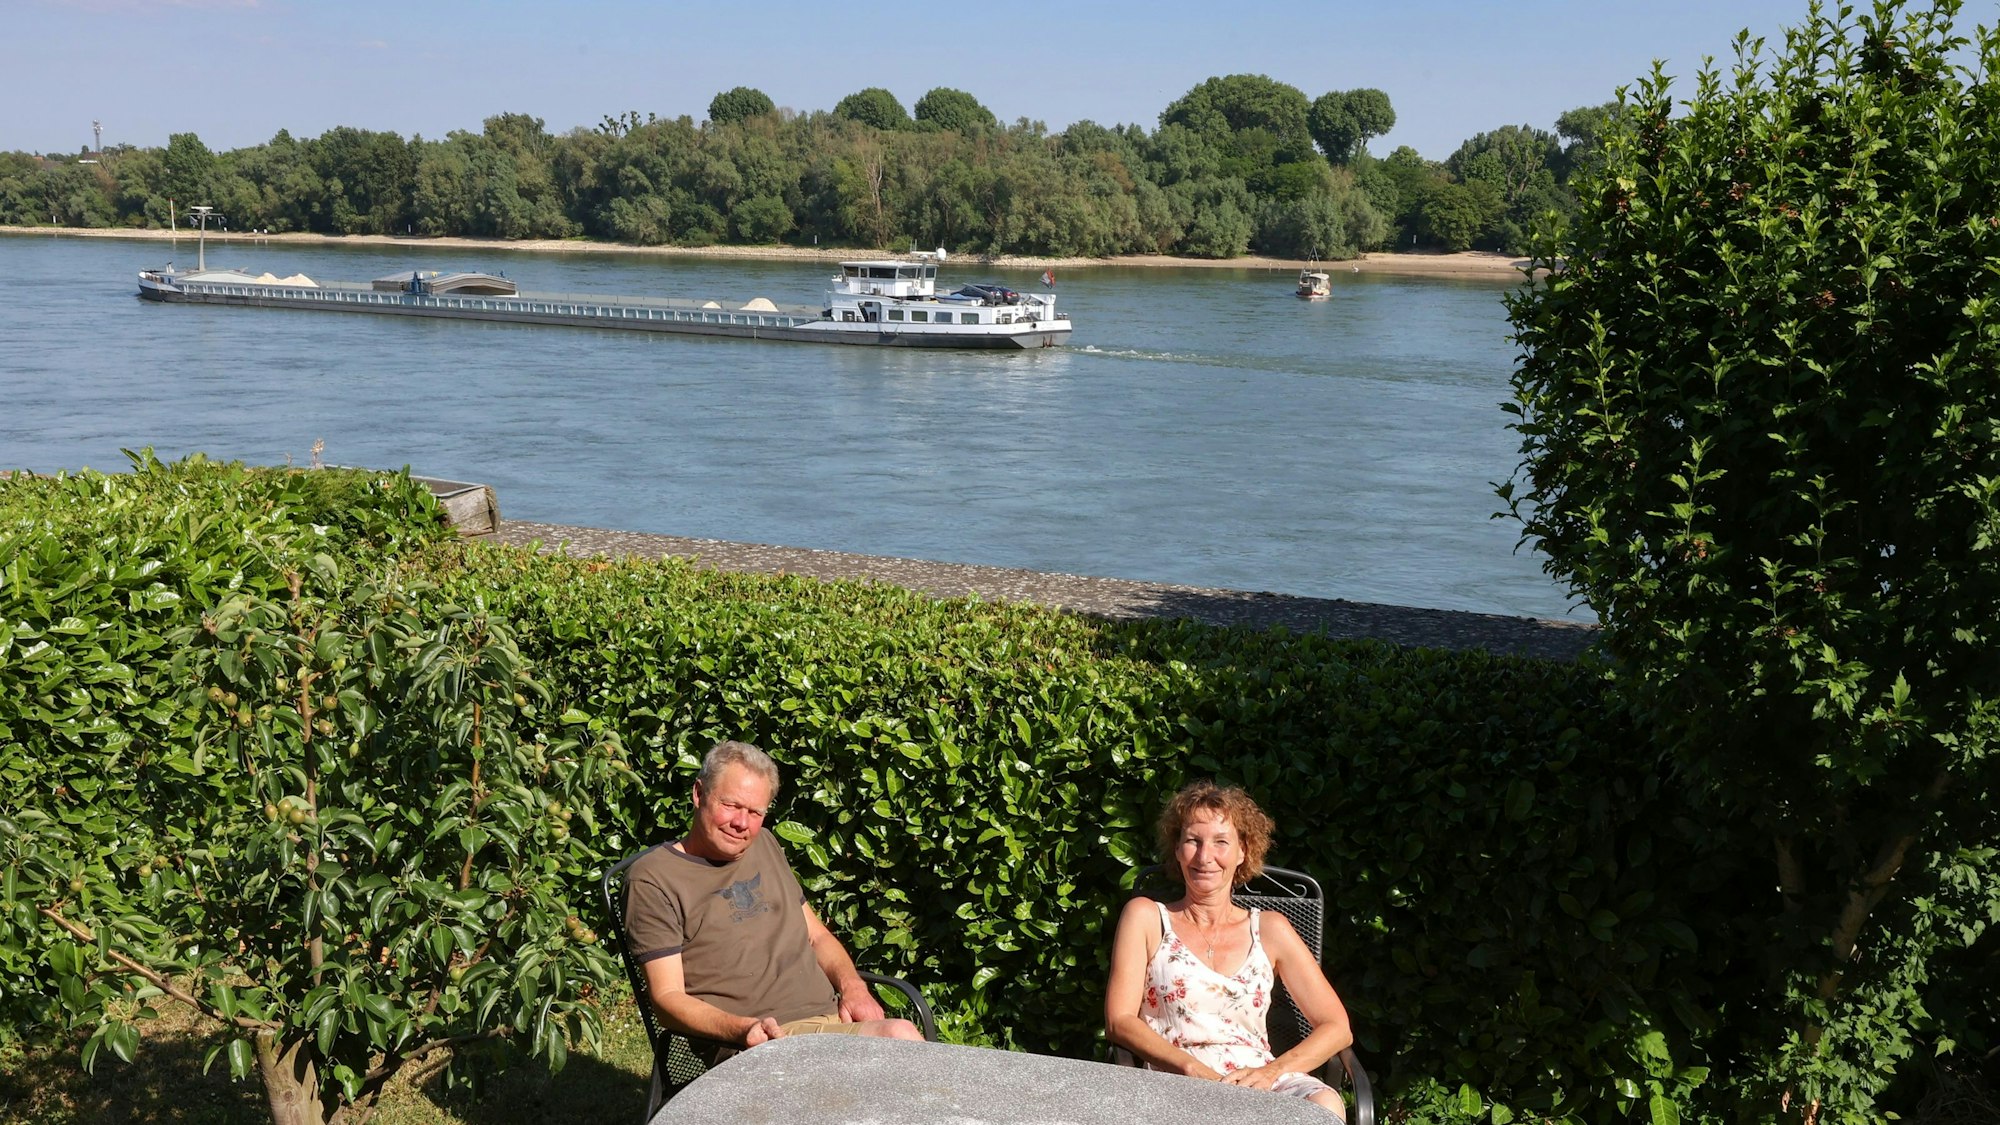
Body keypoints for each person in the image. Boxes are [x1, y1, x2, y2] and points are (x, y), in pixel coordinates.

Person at [624, 740, 923, 1057]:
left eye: (754, 812)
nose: (742, 823)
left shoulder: (763, 844)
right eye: (731, 805)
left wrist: (853, 987)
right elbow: (668, 999)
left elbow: (816, 936)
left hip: (832, 1021)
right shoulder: (654, 878)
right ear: (699, 794)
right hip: (760, 1044)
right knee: (899, 1037)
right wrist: (743, 1029)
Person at [1105, 781, 1353, 1119]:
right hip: (1176, 1078)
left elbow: (1336, 1026)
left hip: (1257, 1078)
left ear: (1242, 852)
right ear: (1177, 850)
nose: (1205, 857)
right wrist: (1190, 1068)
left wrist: (1271, 1072)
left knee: (1323, 1107)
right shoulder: (1147, 917)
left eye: (1221, 842)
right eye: (1193, 840)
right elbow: (1119, 1020)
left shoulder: (1270, 929)